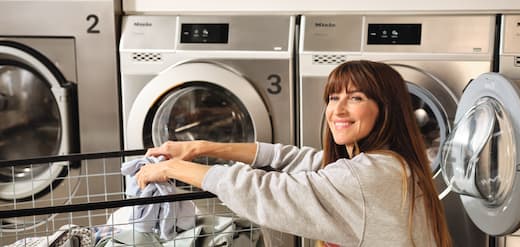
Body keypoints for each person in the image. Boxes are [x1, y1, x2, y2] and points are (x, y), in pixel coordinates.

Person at [135, 60, 453, 247]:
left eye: (355, 98)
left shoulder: (367, 176)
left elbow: (269, 191)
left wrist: (173, 169)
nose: (337, 110)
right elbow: (294, 159)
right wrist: (202, 147)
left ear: (386, 110)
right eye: (332, 98)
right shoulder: (389, 162)